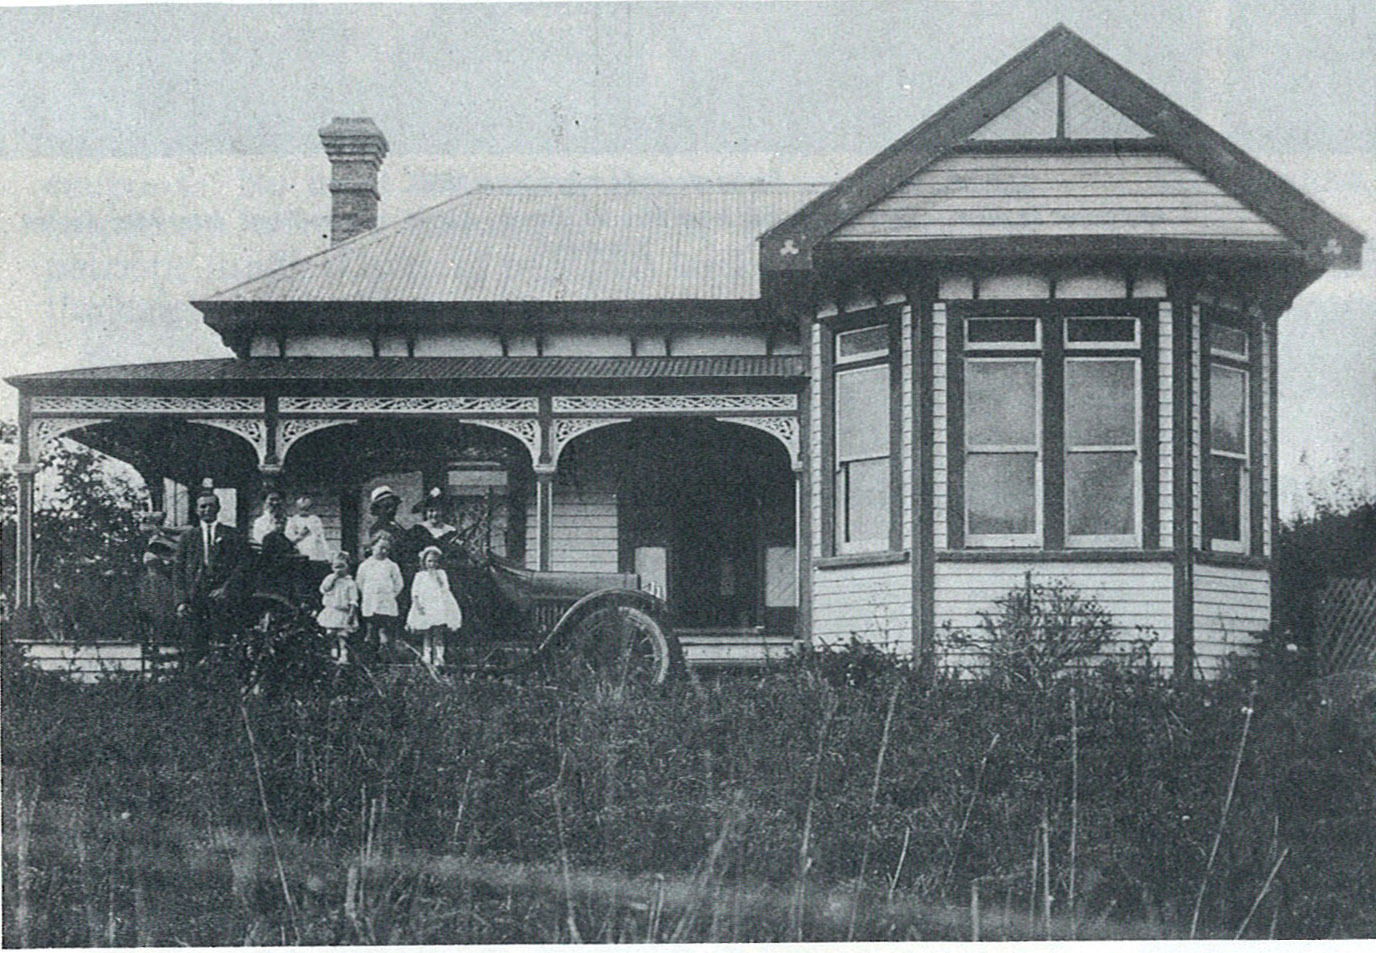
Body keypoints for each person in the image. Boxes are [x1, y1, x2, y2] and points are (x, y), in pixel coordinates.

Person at [173, 485, 250, 664]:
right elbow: (179, 571)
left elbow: (244, 565)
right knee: (195, 644)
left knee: (224, 642)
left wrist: (226, 588)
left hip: (223, 596)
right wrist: (181, 600)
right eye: (203, 506)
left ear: (218, 508)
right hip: (195, 596)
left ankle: (224, 681)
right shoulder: (188, 537)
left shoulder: (232, 534)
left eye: (211, 506)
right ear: (196, 510)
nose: (207, 510)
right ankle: (197, 684)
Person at [406, 544, 463, 667]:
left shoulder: (441, 573)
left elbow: (445, 589)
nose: (432, 564)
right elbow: (414, 592)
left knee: (438, 632)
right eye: (429, 561)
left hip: (438, 606)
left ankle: (439, 657)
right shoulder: (420, 575)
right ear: (424, 562)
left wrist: (437, 577)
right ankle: (427, 656)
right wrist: (418, 605)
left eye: (435, 562)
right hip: (425, 606)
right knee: (427, 632)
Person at [355, 531, 403, 665]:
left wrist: (390, 595)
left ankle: (387, 659)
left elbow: (399, 584)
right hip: (371, 604)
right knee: (371, 631)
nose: (384, 551)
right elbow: (360, 583)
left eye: (387, 549)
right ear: (372, 547)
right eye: (381, 547)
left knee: (386, 632)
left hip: (387, 604)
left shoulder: (392, 566)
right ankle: (371, 659)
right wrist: (368, 594)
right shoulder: (365, 565)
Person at [316, 550, 360, 663]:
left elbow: (353, 600)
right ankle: (333, 651)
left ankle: (343, 654)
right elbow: (324, 589)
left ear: (348, 567)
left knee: (342, 635)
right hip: (332, 610)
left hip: (343, 611)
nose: (339, 570)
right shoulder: (330, 579)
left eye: (342, 567)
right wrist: (334, 578)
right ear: (332, 568)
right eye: (336, 567)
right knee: (330, 632)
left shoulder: (350, 582)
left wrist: (351, 614)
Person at [286, 495, 332, 563]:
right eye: (301, 508)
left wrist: (326, 553)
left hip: (315, 549)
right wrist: (300, 536)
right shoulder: (293, 520)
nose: (304, 511)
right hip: (300, 548)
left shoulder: (315, 519)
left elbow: (320, 535)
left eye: (307, 508)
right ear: (297, 508)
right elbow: (289, 535)